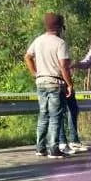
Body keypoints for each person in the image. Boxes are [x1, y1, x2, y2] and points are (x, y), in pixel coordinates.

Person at [24, 12, 74, 159]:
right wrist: (70, 84)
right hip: (54, 83)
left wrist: (35, 72)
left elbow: (27, 56)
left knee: (43, 115)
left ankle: (40, 148)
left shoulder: (38, 40)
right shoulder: (60, 43)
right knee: (55, 116)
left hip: (41, 82)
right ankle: (53, 148)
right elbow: (64, 67)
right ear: (59, 27)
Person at [57, 90, 88, 154]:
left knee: (72, 109)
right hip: (59, 85)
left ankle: (73, 141)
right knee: (60, 112)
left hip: (61, 85)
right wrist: (70, 85)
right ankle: (63, 143)